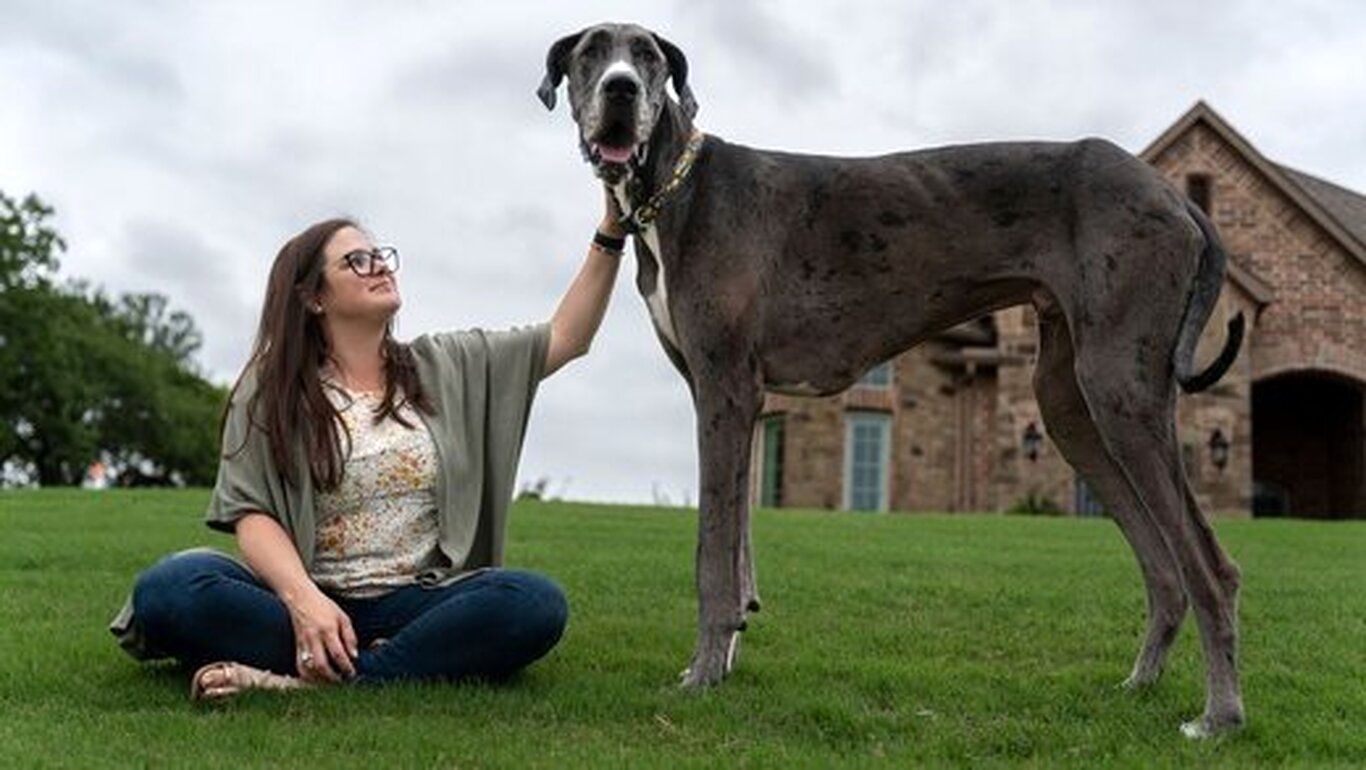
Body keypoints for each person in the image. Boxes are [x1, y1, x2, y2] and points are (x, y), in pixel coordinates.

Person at [109, 190, 628, 700]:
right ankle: (380, 660)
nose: (379, 266)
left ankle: (316, 680)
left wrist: (611, 230)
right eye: (356, 261)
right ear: (314, 297)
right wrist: (305, 601)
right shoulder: (271, 386)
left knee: (533, 602)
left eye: (380, 256)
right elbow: (252, 513)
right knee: (169, 588)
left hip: (418, 601)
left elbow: (567, 336)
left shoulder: (447, 364)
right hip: (305, 601)